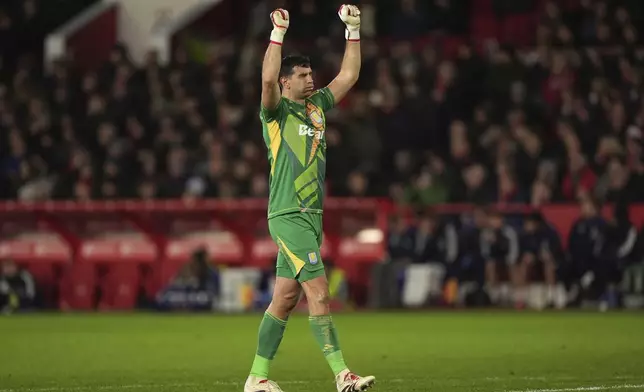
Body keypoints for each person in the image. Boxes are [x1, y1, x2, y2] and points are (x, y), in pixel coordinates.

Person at [245, 5, 375, 392]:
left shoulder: (317, 107)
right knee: (319, 292)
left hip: (311, 215)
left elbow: (349, 75)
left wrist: (353, 29)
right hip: (288, 213)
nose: (309, 79)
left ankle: (257, 377)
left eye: (310, 74)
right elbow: (267, 81)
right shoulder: (276, 112)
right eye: (301, 75)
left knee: (284, 300)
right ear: (287, 82)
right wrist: (277, 36)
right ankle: (342, 375)